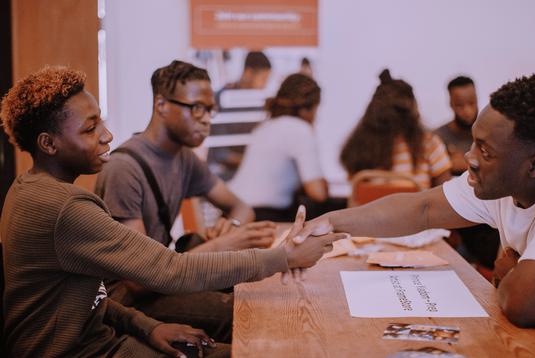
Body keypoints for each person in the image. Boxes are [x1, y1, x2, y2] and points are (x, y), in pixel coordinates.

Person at [0, 66, 342, 357]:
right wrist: (286, 257)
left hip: (101, 336)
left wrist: (149, 328)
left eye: (100, 122)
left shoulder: (26, 189)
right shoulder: (66, 206)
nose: (107, 135)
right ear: (49, 144)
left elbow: (89, 297)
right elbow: (169, 271)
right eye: (90, 129)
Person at [296, 74, 535, 354]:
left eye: (485, 151)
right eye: (473, 142)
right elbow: (422, 208)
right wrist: (331, 221)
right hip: (533, 332)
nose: (469, 158)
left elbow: (524, 305)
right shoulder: (510, 176)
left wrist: (509, 271)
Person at [94, 60, 280, 343]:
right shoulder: (124, 169)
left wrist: (232, 225)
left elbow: (242, 208)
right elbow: (138, 279)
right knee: (247, 313)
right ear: (161, 105)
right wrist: (222, 246)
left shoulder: (184, 158)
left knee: (260, 292)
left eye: (209, 110)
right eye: (196, 108)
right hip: (130, 301)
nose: (206, 118)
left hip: (163, 279)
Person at [228, 73, 328, 221]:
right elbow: (318, 193)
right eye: (316, 110)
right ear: (307, 109)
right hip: (262, 216)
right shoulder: (300, 129)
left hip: (233, 212)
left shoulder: (265, 126)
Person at [340, 69, 452, 190]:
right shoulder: (429, 144)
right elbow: (444, 193)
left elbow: (357, 192)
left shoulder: (359, 147)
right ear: (412, 109)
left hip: (374, 209)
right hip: (414, 209)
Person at [435, 76, 500, 272]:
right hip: (457, 210)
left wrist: (459, 163)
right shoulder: (439, 136)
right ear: (451, 104)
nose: (467, 110)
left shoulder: (491, 132)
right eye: (460, 105)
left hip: (489, 210)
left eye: (471, 103)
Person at [209, 51, 273, 181]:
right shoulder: (223, 100)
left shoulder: (260, 104)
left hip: (252, 175)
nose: (265, 85)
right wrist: (257, 162)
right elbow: (221, 154)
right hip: (223, 176)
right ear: (248, 73)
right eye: (263, 79)